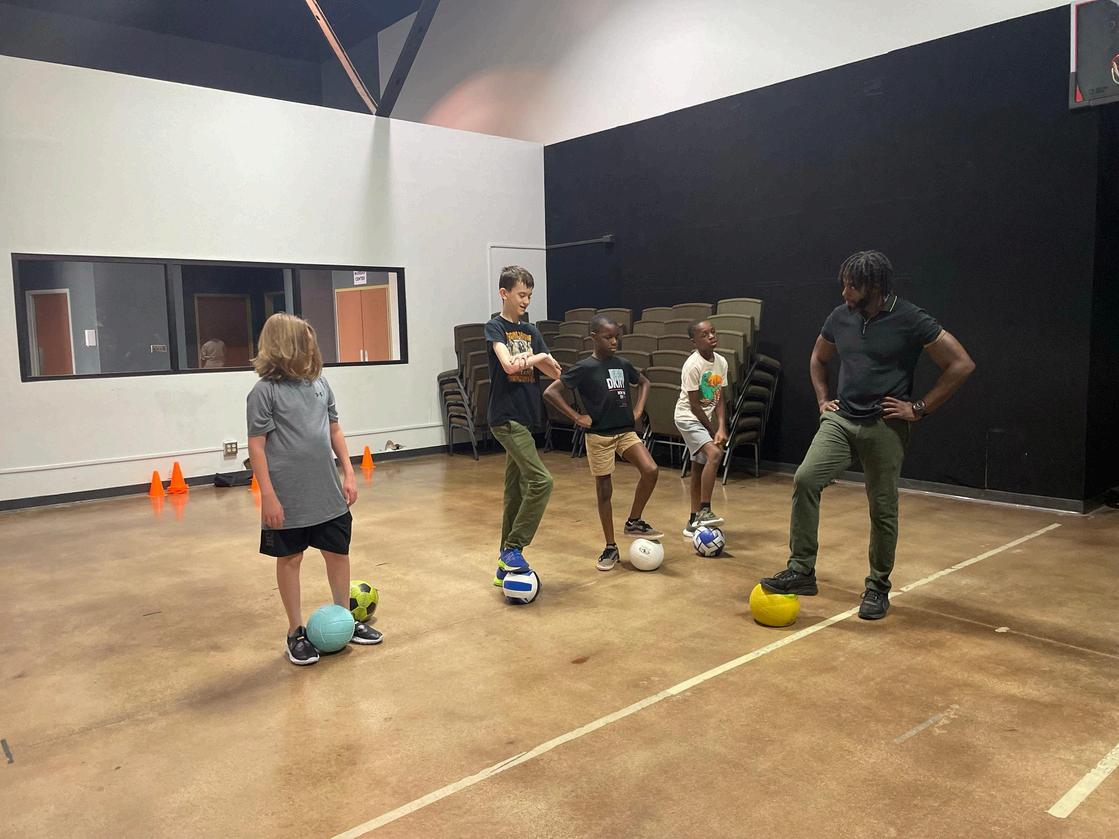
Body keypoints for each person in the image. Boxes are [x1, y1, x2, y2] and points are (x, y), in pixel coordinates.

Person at [760, 251, 975, 620]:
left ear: (874, 286)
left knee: (882, 507)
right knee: (806, 478)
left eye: (852, 286)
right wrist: (823, 399)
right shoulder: (839, 316)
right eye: (844, 284)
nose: (844, 292)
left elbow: (961, 364)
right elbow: (818, 358)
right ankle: (801, 570)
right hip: (842, 420)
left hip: (885, 425)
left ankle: (877, 587)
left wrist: (919, 408)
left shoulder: (910, 318)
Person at [246, 313, 382, 665]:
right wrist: (268, 496)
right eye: (305, 344)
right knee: (291, 558)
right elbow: (257, 446)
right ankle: (296, 632)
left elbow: (334, 429)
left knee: (337, 553)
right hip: (288, 496)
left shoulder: (320, 384)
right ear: (284, 346)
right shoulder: (264, 392)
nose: (312, 350)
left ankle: (345, 619)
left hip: (327, 492)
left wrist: (349, 473)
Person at [544, 315, 662, 571]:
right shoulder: (584, 367)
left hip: (625, 432)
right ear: (594, 337)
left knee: (651, 470)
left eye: (617, 337)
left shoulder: (622, 364)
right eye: (608, 337)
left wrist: (638, 409)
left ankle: (634, 520)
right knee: (605, 491)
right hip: (599, 436)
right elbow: (551, 392)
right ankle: (610, 546)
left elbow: (644, 382)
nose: (614, 342)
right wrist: (576, 417)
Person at [485, 266, 564, 587]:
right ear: (504, 293)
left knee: (514, 491)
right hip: (505, 418)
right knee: (542, 481)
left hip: (525, 417)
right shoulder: (495, 327)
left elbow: (555, 371)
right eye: (521, 295)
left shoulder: (531, 331)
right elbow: (508, 365)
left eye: (529, 296)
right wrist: (537, 357)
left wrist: (539, 358)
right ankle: (514, 547)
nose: (526, 301)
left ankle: (503, 565)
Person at [675, 320, 729, 538]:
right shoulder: (693, 365)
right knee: (714, 454)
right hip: (688, 418)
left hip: (704, 419)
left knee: (698, 468)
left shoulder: (721, 362)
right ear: (694, 342)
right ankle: (705, 510)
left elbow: (719, 398)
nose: (711, 336)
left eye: (713, 332)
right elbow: (695, 406)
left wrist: (722, 426)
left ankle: (692, 521)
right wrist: (712, 430)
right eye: (705, 335)